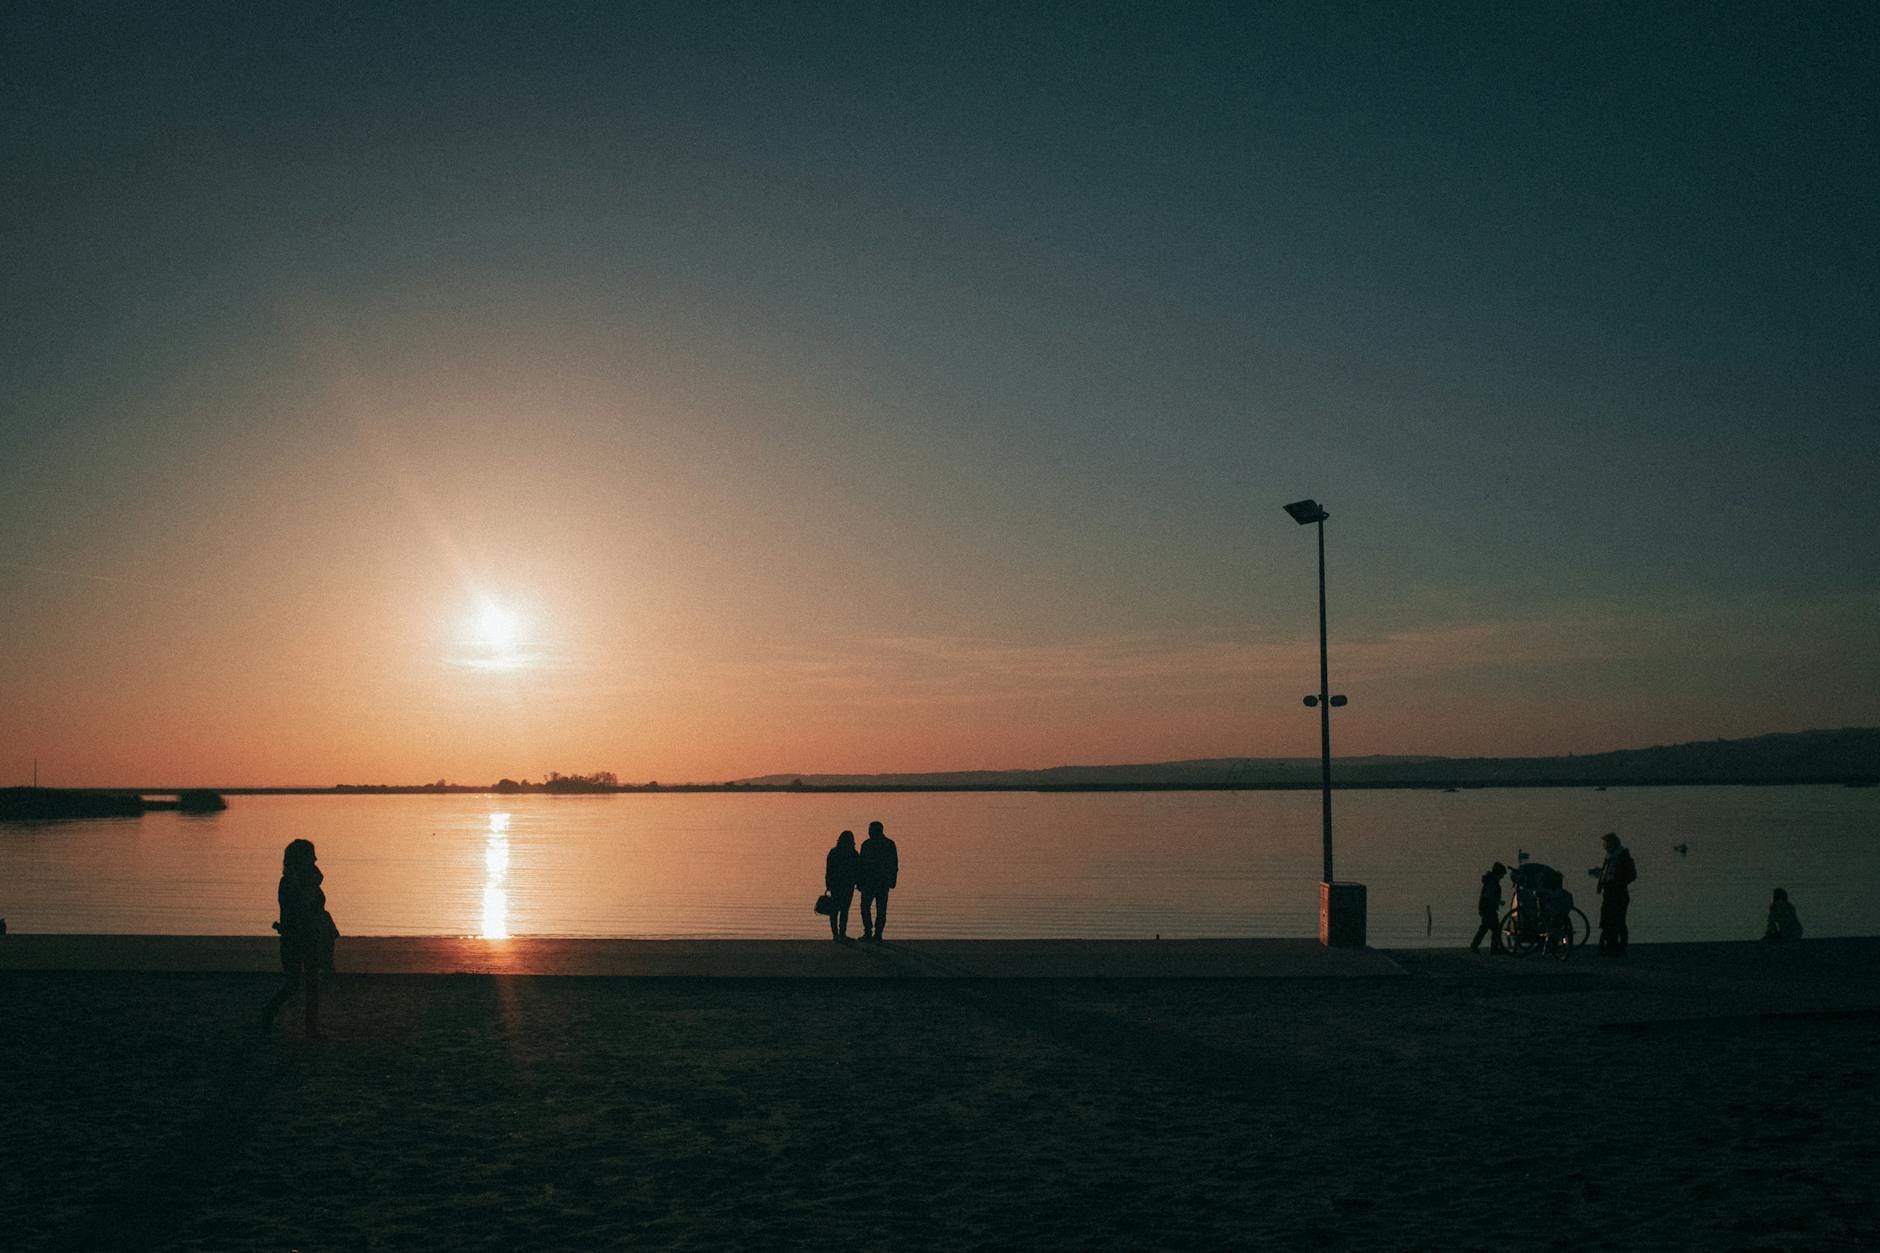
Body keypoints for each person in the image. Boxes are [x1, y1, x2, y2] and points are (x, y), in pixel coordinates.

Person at [262, 838, 336, 1037]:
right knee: (294, 982)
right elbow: (300, 906)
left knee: (311, 982)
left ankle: (310, 1029)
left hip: (310, 936)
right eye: (311, 855)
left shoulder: (308, 879)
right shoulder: (290, 882)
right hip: (295, 936)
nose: (315, 858)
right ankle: (268, 1014)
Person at [1594, 832, 1636, 958]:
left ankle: (1621, 948)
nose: (1604, 846)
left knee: (1619, 920)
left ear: (1613, 843)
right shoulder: (1609, 857)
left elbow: (1631, 875)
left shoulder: (1623, 857)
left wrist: (1619, 884)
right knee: (1607, 920)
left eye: (1606, 843)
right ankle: (1611, 946)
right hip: (1608, 893)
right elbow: (1605, 873)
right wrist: (1600, 886)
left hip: (1619, 893)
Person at [856, 820, 899, 942]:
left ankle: (871, 932)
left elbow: (861, 864)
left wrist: (859, 881)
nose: (868, 832)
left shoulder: (869, 844)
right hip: (879, 881)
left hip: (873, 882)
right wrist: (892, 879)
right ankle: (875, 933)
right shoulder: (888, 844)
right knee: (878, 909)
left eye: (870, 830)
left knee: (868, 908)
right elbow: (894, 864)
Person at [824, 830, 859, 942]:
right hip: (848, 884)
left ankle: (835, 934)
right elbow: (857, 870)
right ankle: (842, 933)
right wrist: (858, 882)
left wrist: (828, 884)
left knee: (834, 910)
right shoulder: (853, 854)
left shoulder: (834, 852)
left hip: (835, 884)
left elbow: (829, 870)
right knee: (844, 909)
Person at [1470, 861, 1508, 954]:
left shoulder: (1490, 881)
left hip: (1486, 908)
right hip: (1489, 908)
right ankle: (1493, 949)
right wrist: (1498, 902)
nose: (1502, 877)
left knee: (1485, 928)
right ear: (1498, 873)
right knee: (1495, 929)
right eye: (1501, 875)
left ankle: (1476, 945)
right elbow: (1488, 895)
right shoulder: (1493, 883)